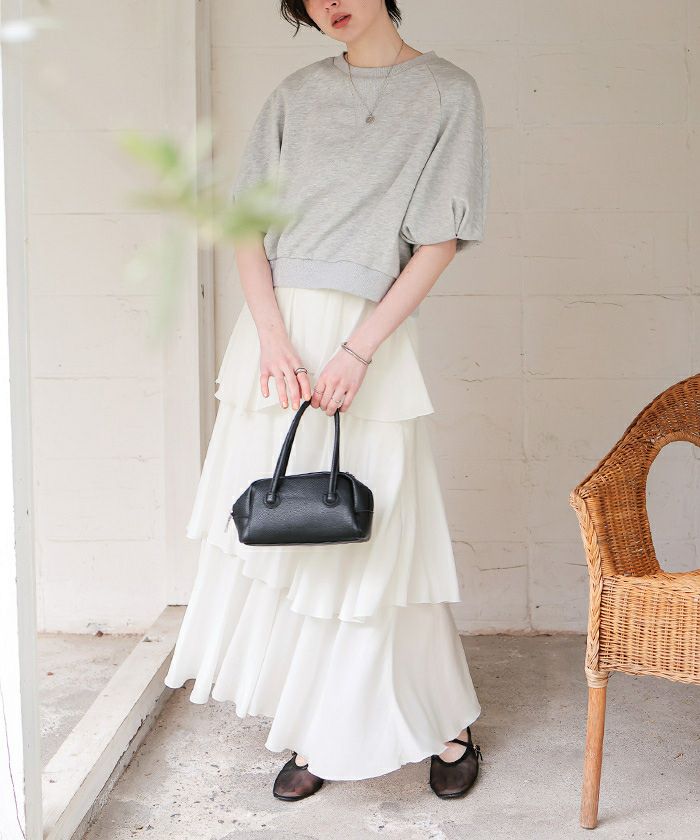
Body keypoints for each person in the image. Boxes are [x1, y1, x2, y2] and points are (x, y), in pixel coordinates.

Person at [164, 0, 490, 802]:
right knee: (288, 533)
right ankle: (316, 724)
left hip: (367, 336)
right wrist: (272, 337)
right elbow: (246, 226)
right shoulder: (296, 95)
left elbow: (438, 241)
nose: (329, 2)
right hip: (276, 340)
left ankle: (440, 725)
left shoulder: (448, 92)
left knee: (374, 540)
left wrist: (359, 349)